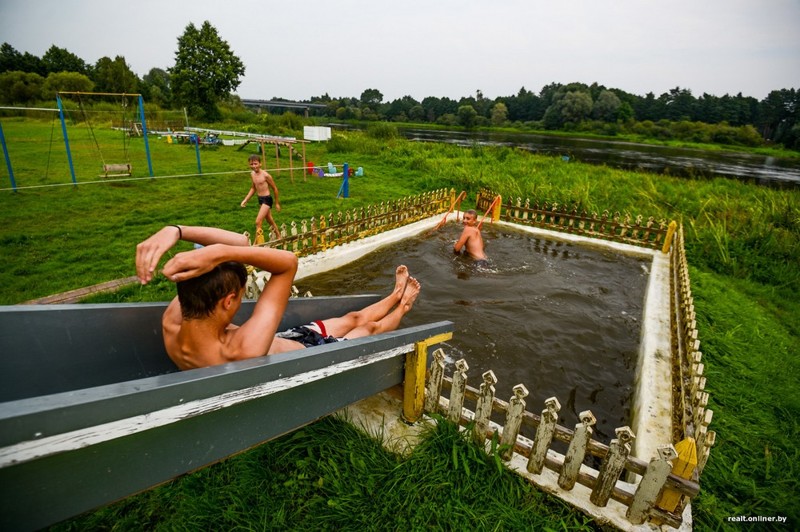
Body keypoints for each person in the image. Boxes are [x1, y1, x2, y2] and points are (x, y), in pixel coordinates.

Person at [135, 224, 420, 370]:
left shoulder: (172, 322)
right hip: (316, 353)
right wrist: (216, 251)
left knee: (350, 317)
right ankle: (403, 305)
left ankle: (394, 293)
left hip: (287, 339)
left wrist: (176, 232)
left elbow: (241, 243)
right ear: (228, 301)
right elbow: (287, 263)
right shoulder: (241, 349)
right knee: (366, 327)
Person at [240, 154, 281, 244]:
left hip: (267, 199)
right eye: (251, 164)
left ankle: (256, 243)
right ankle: (278, 235)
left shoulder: (266, 175)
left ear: (260, 164)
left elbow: (275, 188)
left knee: (258, 221)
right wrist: (246, 200)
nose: (254, 166)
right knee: (269, 219)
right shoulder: (252, 174)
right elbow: (253, 188)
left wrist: (277, 203)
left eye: (255, 164)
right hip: (260, 199)